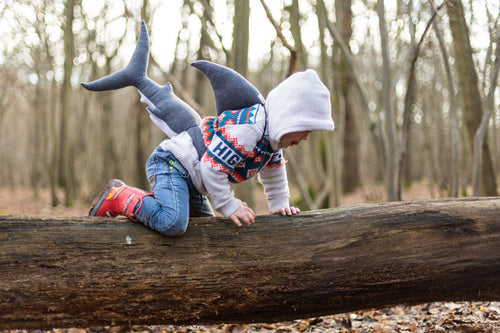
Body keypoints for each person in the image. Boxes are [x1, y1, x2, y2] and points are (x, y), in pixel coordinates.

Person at [85, 23, 334, 237]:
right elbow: (211, 167)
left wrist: (280, 204)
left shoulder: (272, 141)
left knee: (204, 230)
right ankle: (119, 195)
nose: (305, 138)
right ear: (287, 117)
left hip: (194, 182)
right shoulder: (249, 128)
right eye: (304, 129)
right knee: (173, 223)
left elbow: (274, 173)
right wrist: (230, 205)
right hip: (173, 164)